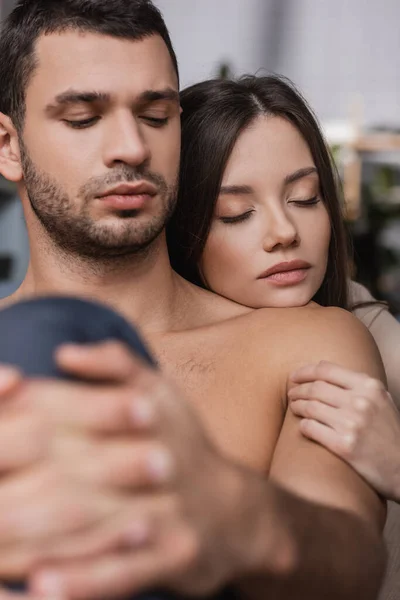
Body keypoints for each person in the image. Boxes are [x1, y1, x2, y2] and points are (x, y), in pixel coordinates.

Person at [0, 1, 387, 599]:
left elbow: (353, 561)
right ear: (8, 145)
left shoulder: (303, 343)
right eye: (83, 118)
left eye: (156, 115)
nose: (130, 146)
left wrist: (232, 511)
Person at [168, 75, 400, 504]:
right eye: (236, 213)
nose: (283, 232)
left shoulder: (369, 334)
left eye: (305, 197)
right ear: (181, 227)